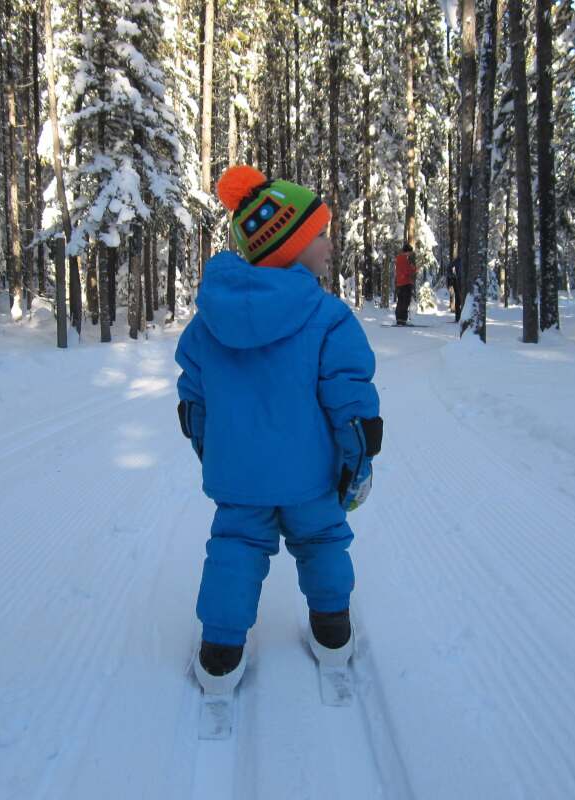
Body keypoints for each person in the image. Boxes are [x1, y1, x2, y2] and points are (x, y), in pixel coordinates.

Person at [175, 165, 383, 694]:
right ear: (289, 246)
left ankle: (220, 655)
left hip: (239, 477)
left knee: (236, 546)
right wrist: (357, 460)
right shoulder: (328, 317)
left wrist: (213, 452)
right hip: (310, 477)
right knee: (321, 541)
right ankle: (332, 631)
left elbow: (195, 402)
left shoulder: (208, 323)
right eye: (320, 233)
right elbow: (350, 403)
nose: (329, 244)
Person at [394, 243, 417, 325]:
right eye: (410, 252)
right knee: (405, 301)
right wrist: (414, 268)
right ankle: (402, 319)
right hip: (405, 283)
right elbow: (407, 270)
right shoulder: (403, 259)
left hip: (400, 283)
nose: (410, 254)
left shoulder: (399, 258)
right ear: (407, 251)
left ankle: (399, 318)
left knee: (400, 301)